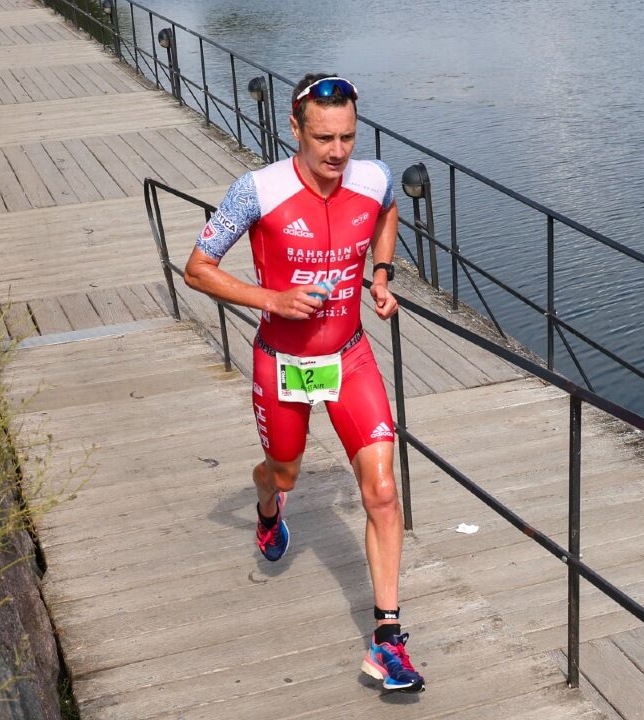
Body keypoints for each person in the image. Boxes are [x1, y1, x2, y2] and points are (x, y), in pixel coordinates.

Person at [183, 73, 425, 693]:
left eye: (346, 136)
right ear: (295, 129)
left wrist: (380, 274)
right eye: (323, 139)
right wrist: (273, 299)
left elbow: (389, 206)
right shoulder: (256, 191)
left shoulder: (372, 177)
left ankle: (388, 640)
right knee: (283, 472)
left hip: (349, 357)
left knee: (382, 491)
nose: (337, 152)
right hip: (281, 361)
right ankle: (270, 503)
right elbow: (198, 269)